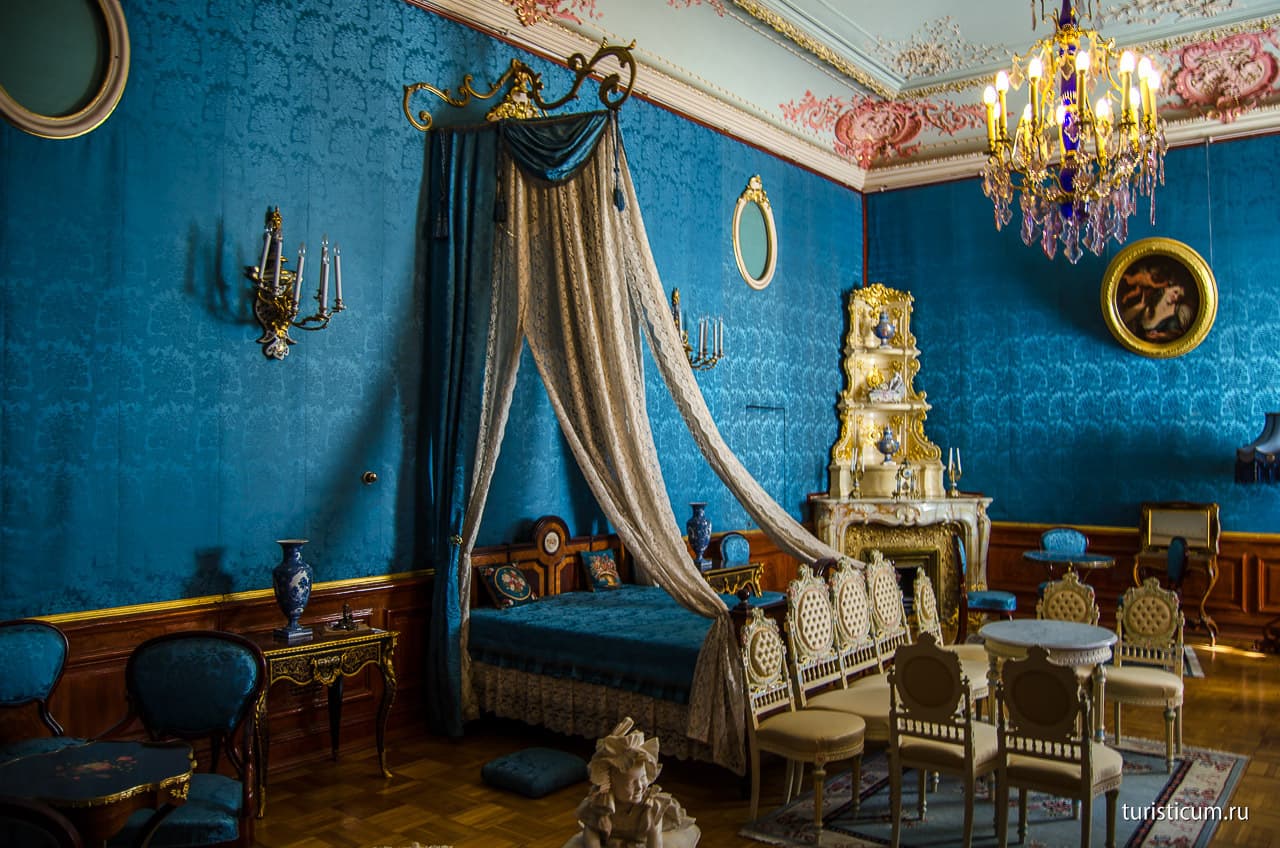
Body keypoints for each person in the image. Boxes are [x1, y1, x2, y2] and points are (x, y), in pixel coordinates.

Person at [563, 718, 700, 848]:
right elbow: (591, 833)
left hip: (641, 840)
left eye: (643, 778)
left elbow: (654, 841)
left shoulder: (650, 807)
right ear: (611, 784)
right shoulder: (600, 804)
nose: (640, 787)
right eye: (631, 783)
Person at [1122, 279, 1193, 342]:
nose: (1176, 297)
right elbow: (1123, 319)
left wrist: (1159, 335)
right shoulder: (1148, 304)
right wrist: (1139, 307)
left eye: (1180, 296)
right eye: (1175, 292)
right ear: (1166, 289)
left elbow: (1178, 335)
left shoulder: (1178, 312)